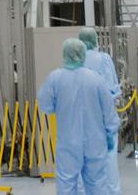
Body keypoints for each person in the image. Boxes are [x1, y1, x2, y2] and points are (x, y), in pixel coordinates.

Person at [38, 38, 117, 195]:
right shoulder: (96, 78)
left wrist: (59, 107)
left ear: (64, 54)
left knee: (66, 183)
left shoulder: (55, 78)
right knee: (97, 183)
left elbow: (45, 105)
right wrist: (110, 133)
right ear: (83, 55)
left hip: (68, 141)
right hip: (95, 141)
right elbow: (109, 110)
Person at [78, 27, 121, 194]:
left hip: (81, 118)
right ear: (95, 40)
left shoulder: (74, 61)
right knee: (108, 160)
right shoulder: (103, 59)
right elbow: (112, 89)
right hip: (102, 117)